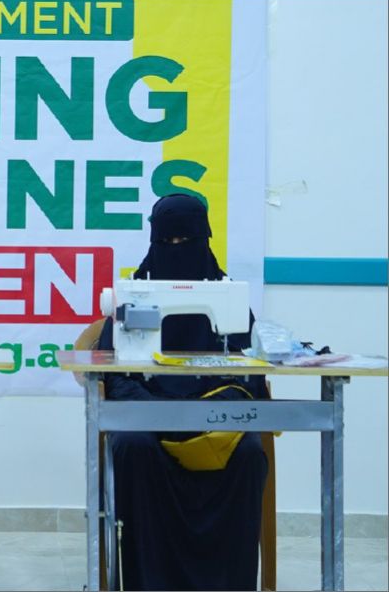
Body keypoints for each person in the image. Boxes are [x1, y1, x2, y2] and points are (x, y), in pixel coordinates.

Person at [98, 194, 268, 591]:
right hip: (149, 421)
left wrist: (201, 416)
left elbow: (249, 377)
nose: (176, 250)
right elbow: (116, 377)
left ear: (204, 240)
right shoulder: (134, 297)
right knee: (133, 446)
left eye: (186, 242)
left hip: (215, 424)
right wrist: (163, 414)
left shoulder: (228, 299)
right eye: (167, 242)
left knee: (248, 453)